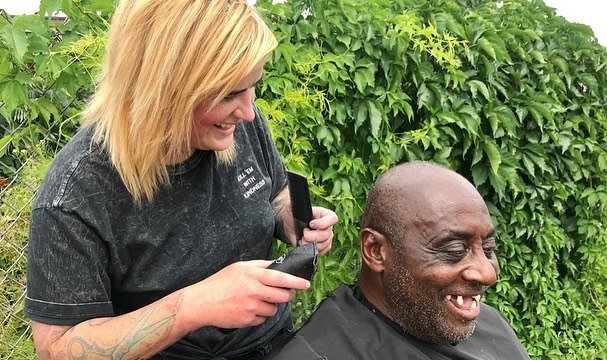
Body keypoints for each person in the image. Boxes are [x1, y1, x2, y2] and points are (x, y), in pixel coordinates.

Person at [24, 1, 338, 359]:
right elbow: (58, 350)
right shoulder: (76, 194)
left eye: (252, 86)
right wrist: (192, 307)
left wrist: (293, 219)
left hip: (273, 343)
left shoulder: (238, 127)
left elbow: (275, 193)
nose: (249, 112)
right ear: (162, 90)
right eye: (228, 94)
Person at [267, 161, 531, 359]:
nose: (487, 273)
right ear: (376, 250)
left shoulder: (489, 324)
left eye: (488, 248)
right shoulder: (317, 353)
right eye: (453, 250)